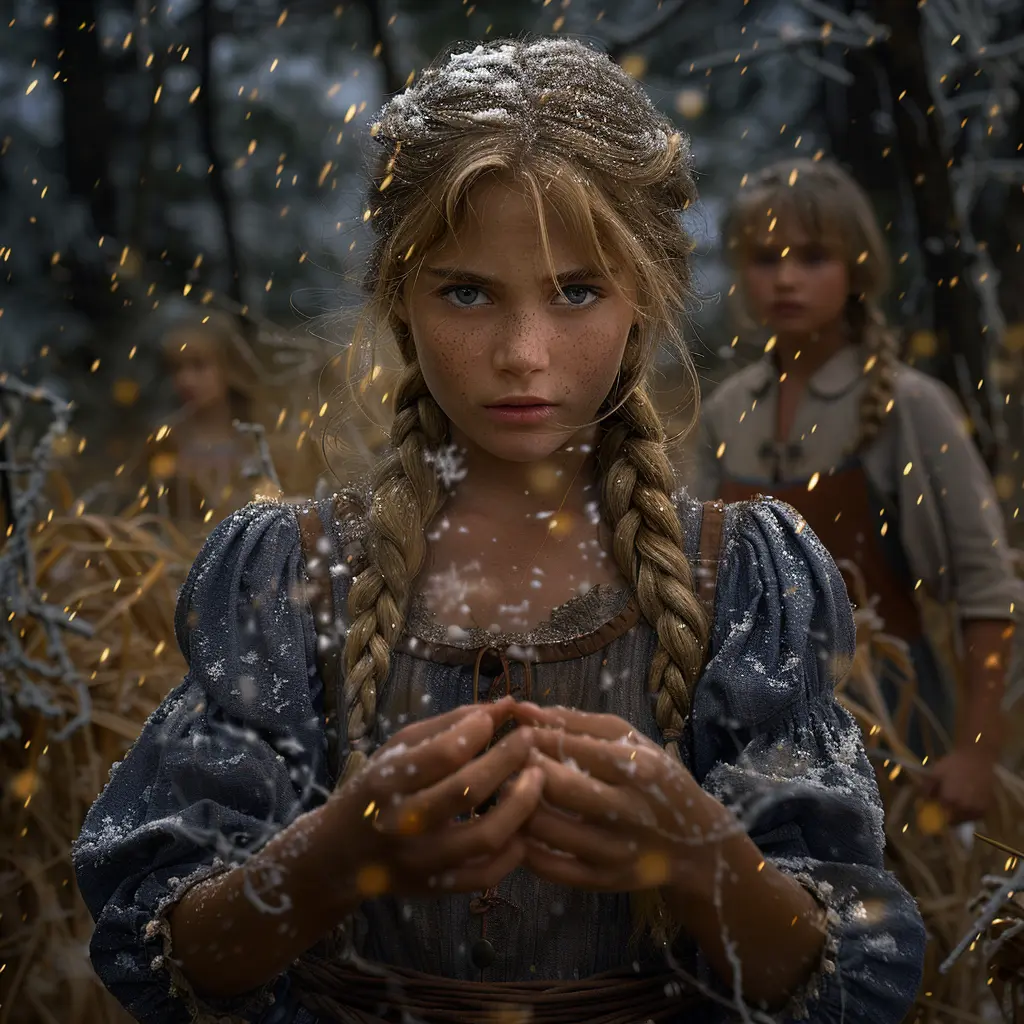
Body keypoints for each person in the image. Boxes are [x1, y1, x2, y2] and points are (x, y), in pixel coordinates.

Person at [72, 40, 925, 1024]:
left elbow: (846, 971)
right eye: (466, 291)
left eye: (576, 290)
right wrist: (328, 863)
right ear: (399, 295)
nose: (523, 354)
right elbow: (160, 948)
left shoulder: (736, 580)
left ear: (644, 296)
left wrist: (706, 862)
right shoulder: (291, 574)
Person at [695, 158, 1021, 824]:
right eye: (765, 258)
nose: (785, 277)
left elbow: (989, 592)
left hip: (893, 730)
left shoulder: (911, 404)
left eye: (813, 257)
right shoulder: (726, 411)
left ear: (858, 268)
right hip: (745, 738)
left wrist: (975, 754)